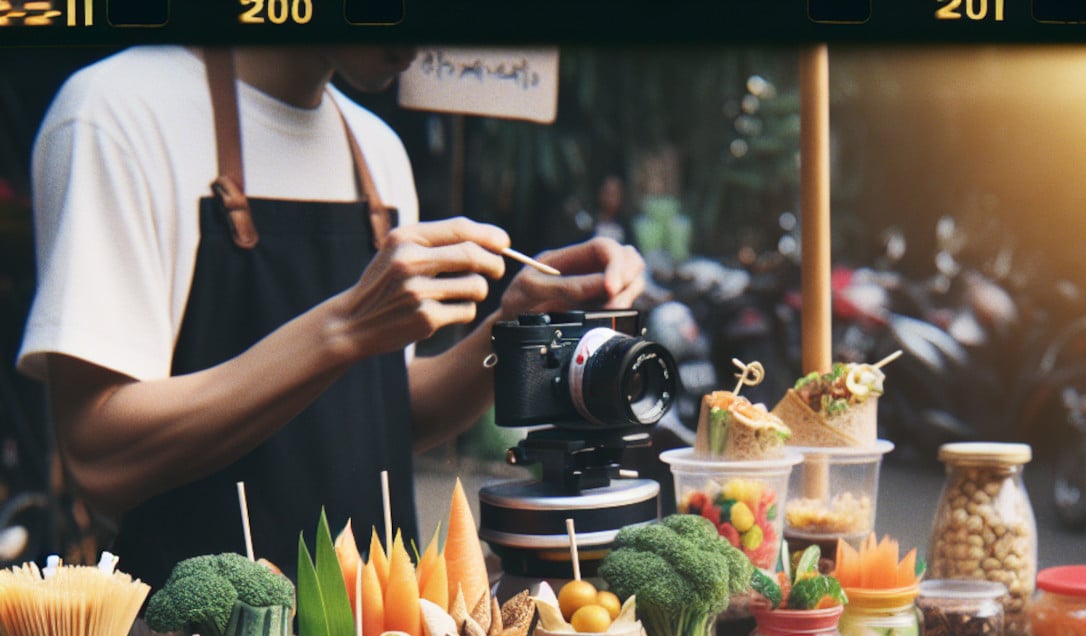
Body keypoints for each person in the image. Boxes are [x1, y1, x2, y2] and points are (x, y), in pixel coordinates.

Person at [16, 45, 645, 586]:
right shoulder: (117, 113)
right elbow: (100, 456)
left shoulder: (377, 149)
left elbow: (383, 414)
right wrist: (344, 329)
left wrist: (517, 328)